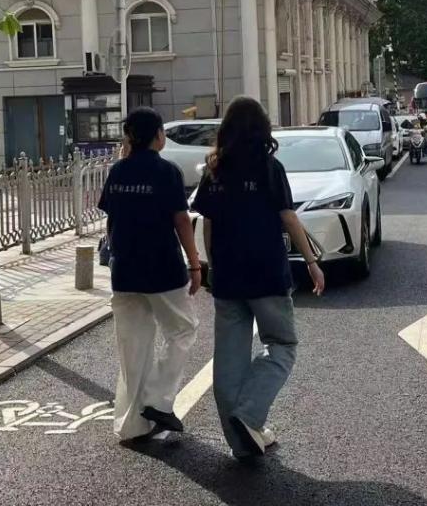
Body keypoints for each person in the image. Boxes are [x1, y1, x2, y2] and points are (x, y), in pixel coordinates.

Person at [191, 96, 325, 460]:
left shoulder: (214, 171)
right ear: (263, 129)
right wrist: (311, 261)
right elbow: (288, 217)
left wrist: (212, 265)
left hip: (228, 278)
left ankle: (243, 443)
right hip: (267, 274)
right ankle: (249, 416)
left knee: (228, 363)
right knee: (282, 345)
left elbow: (208, 224)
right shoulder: (269, 167)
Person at [98, 107, 203, 442]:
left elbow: (111, 222)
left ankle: (131, 425)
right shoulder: (166, 171)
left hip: (124, 272)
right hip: (162, 269)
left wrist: (115, 257)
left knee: (132, 349)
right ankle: (157, 401)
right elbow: (181, 220)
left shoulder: (118, 171)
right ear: (158, 135)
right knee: (183, 329)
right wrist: (195, 264)